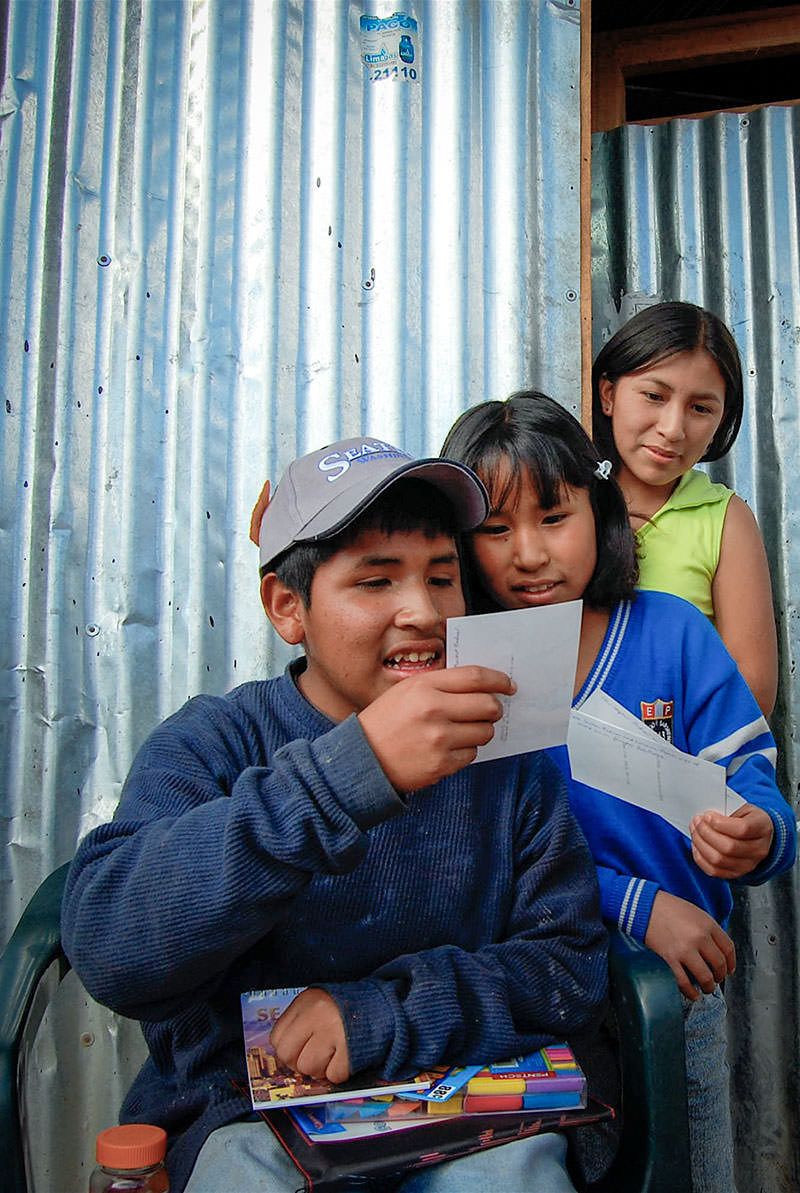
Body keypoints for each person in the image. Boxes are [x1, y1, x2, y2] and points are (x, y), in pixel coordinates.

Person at [61, 435, 615, 1193]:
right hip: (253, 1123)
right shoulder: (215, 742)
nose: (422, 611)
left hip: (468, 1114)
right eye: (376, 580)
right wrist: (351, 773)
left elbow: (569, 966)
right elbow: (112, 945)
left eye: (443, 576)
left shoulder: (504, 757)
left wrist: (380, 1014)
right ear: (288, 606)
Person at [440, 391, 797, 1193]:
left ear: (599, 511)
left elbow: (755, 785)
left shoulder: (670, 633)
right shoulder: (464, 670)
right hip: (522, 991)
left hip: (674, 985)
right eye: (495, 530)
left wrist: (759, 833)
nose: (528, 553)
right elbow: (480, 860)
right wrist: (632, 903)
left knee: (685, 1167)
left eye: (554, 517)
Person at [591, 300, 778, 717]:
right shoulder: (570, 502)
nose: (672, 428)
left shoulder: (723, 520)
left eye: (700, 408)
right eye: (654, 396)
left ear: (720, 421)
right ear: (608, 394)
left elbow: (752, 695)